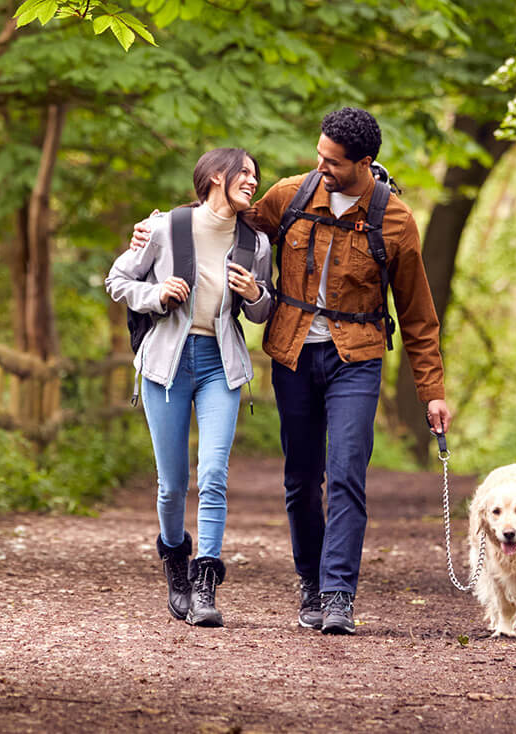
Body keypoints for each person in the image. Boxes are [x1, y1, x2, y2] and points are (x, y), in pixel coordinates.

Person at [132, 108, 451, 635]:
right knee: (302, 478)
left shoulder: (395, 221)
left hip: (358, 357)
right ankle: (309, 580)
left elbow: (418, 314)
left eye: (331, 161)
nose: (319, 165)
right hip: (295, 353)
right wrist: (160, 227)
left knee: (347, 472)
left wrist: (431, 391)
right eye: (319, 154)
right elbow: (223, 221)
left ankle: (337, 594)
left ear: (363, 163)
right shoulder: (292, 195)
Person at [106, 148, 274, 627]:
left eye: (255, 175)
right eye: (244, 172)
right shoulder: (165, 227)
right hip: (166, 366)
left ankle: (205, 584)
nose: (252, 180)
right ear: (216, 176)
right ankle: (176, 562)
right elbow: (118, 280)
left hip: (221, 365)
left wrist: (255, 294)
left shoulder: (255, 243)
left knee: (214, 473)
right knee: (172, 485)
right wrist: (156, 294)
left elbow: (264, 311)